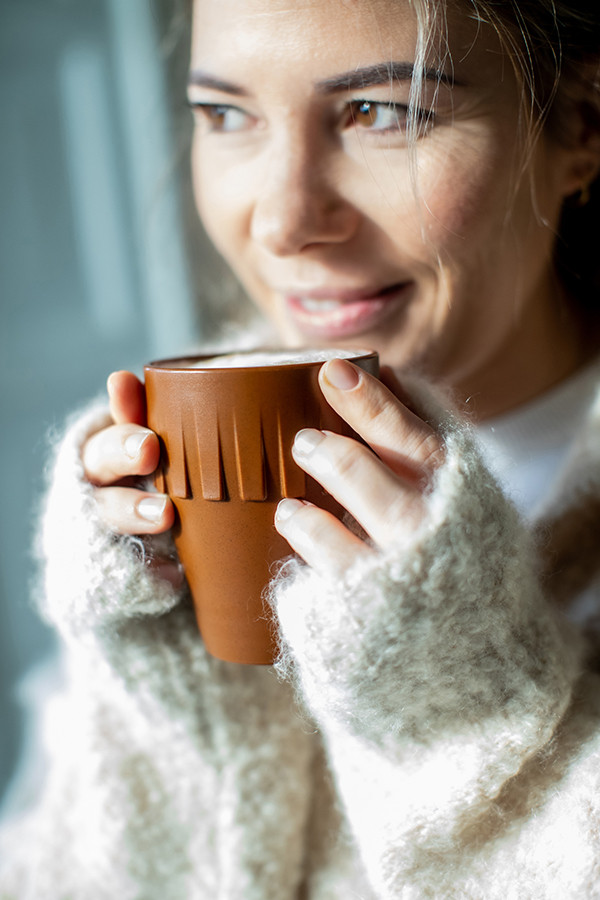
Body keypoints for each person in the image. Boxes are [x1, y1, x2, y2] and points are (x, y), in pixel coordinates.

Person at [2, 0, 600, 897]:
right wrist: (164, 706)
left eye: (381, 111)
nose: (283, 222)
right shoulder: (152, 496)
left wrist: (466, 708)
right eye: (225, 114)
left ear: (582, 126)